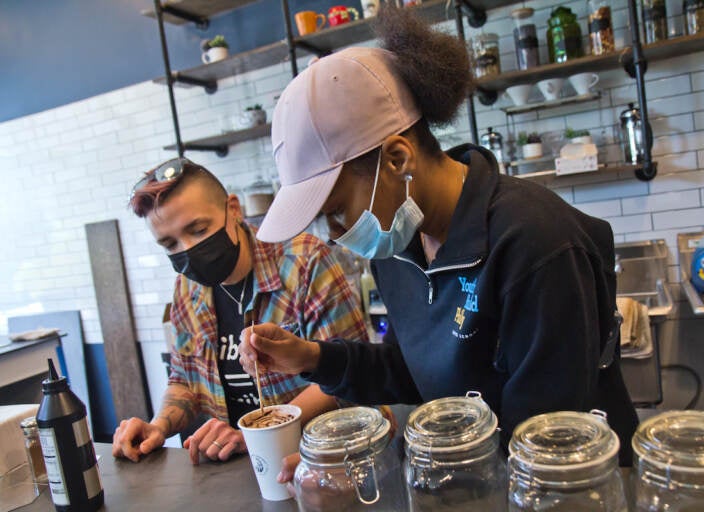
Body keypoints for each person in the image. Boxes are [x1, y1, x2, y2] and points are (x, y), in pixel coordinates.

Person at [240, 7, 639, 466]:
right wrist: (311, 357)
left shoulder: (535, 243)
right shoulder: (398, 247)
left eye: (334, 211)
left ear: (397, 159)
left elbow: (546, 442)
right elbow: (414, 371)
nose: (333, 235)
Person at [113, 158, 372, 469]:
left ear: (233, 210)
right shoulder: (187, 288)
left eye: (198, 229)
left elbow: (350, 375)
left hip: (319, 460)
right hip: (237, 464)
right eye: (170, 244)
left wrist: (256, 434)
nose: (188, 250)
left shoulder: (305, 262)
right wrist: (158, 427)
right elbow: (183, 380)